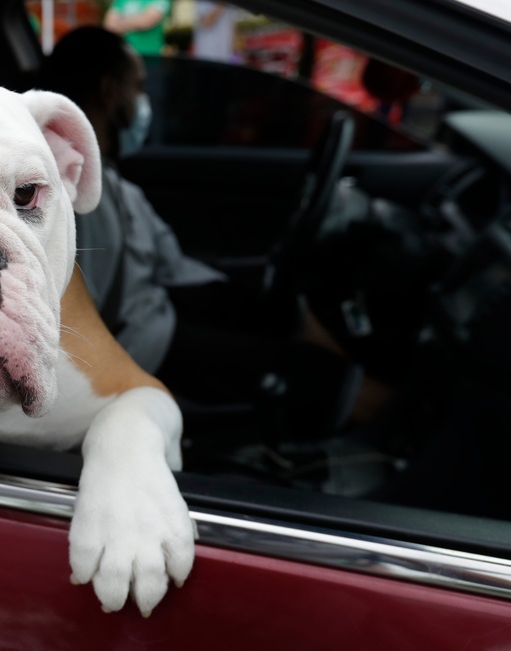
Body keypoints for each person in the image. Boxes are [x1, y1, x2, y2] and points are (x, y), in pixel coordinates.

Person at [38, 27, 369, 424]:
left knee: (280, 310)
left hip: (157, 309)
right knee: (313, 375)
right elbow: (80, 325)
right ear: (110, 92)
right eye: (137, 87)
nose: (144, 103)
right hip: (139, 347)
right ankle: (384, 421)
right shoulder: (65, 194)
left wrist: (249, 292)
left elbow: (168, 263)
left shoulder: (113, 183)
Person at [103, 0, 171, 147]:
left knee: (154, 113)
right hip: (124, 67)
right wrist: (136, 21)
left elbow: (148, 22)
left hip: (150, 65)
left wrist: (122, 22)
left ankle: (154, 150)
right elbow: (109, 25)